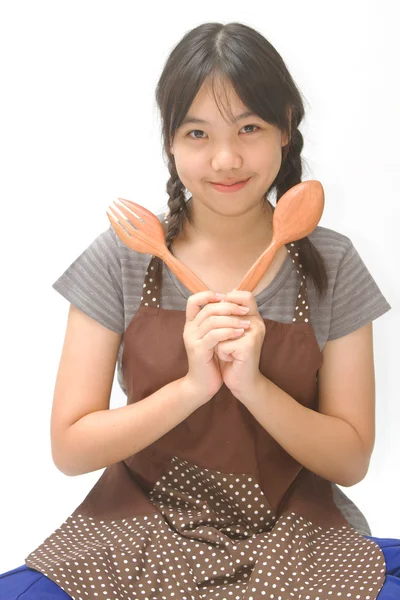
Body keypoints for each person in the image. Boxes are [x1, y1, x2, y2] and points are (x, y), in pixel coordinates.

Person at [1, 21, 398, 600]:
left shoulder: (331, 262)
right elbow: (70, 447)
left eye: (250, 127)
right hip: (136, 527)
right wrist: (191, 387)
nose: (226, 158)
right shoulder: (124, 257)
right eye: (196, 133)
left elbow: (350, 459)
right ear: (168, 139)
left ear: (286, 129)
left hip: (296, 534)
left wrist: (253, 386)